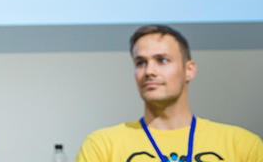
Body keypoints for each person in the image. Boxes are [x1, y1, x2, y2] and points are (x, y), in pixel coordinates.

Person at [74, 24, 263, 162]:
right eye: (141, 62)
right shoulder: (103, 146)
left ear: (189, 70)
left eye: (162, 60)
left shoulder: (242, 145)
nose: (149, 71)